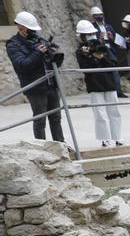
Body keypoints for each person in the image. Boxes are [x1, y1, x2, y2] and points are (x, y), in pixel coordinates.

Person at [5, 11, 65, 142]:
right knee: (40, 119)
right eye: (31, 29)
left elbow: (53, 62)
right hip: (35, 88)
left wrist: (55, 54)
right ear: (21, 27)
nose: (34, 32)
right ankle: (42, 149)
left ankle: (61, 146)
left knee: (56, 118)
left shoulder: (39, 40)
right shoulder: (13, 44)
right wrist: (37, 52)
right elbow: (23, 65)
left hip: (51, 84)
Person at [75, 20, 123, 147]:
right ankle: (104, 139)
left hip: (109, 83)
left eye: (92, 33)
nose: (90, 36)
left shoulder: (103, 46)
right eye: (87, 34)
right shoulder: (81, 51)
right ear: (81, 36)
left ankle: (118, 137)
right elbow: (85, 68)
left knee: (115, 111)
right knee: (99, 114)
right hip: (95, 85)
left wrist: (102, 57)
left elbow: (113, 63)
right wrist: (91, 56)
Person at [89, 6, 127, 98]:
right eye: (97, 15)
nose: (99, 16)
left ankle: (118, 91)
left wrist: (112, 38)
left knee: (115, 71)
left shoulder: (109, 27)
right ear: (93, 17)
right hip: (100, 52)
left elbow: (117, 40)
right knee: (104, 72)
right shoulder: (92, 27)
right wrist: (99, 38)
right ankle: (107, 91)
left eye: (100, 15)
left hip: (110, 51)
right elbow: (91, 41)